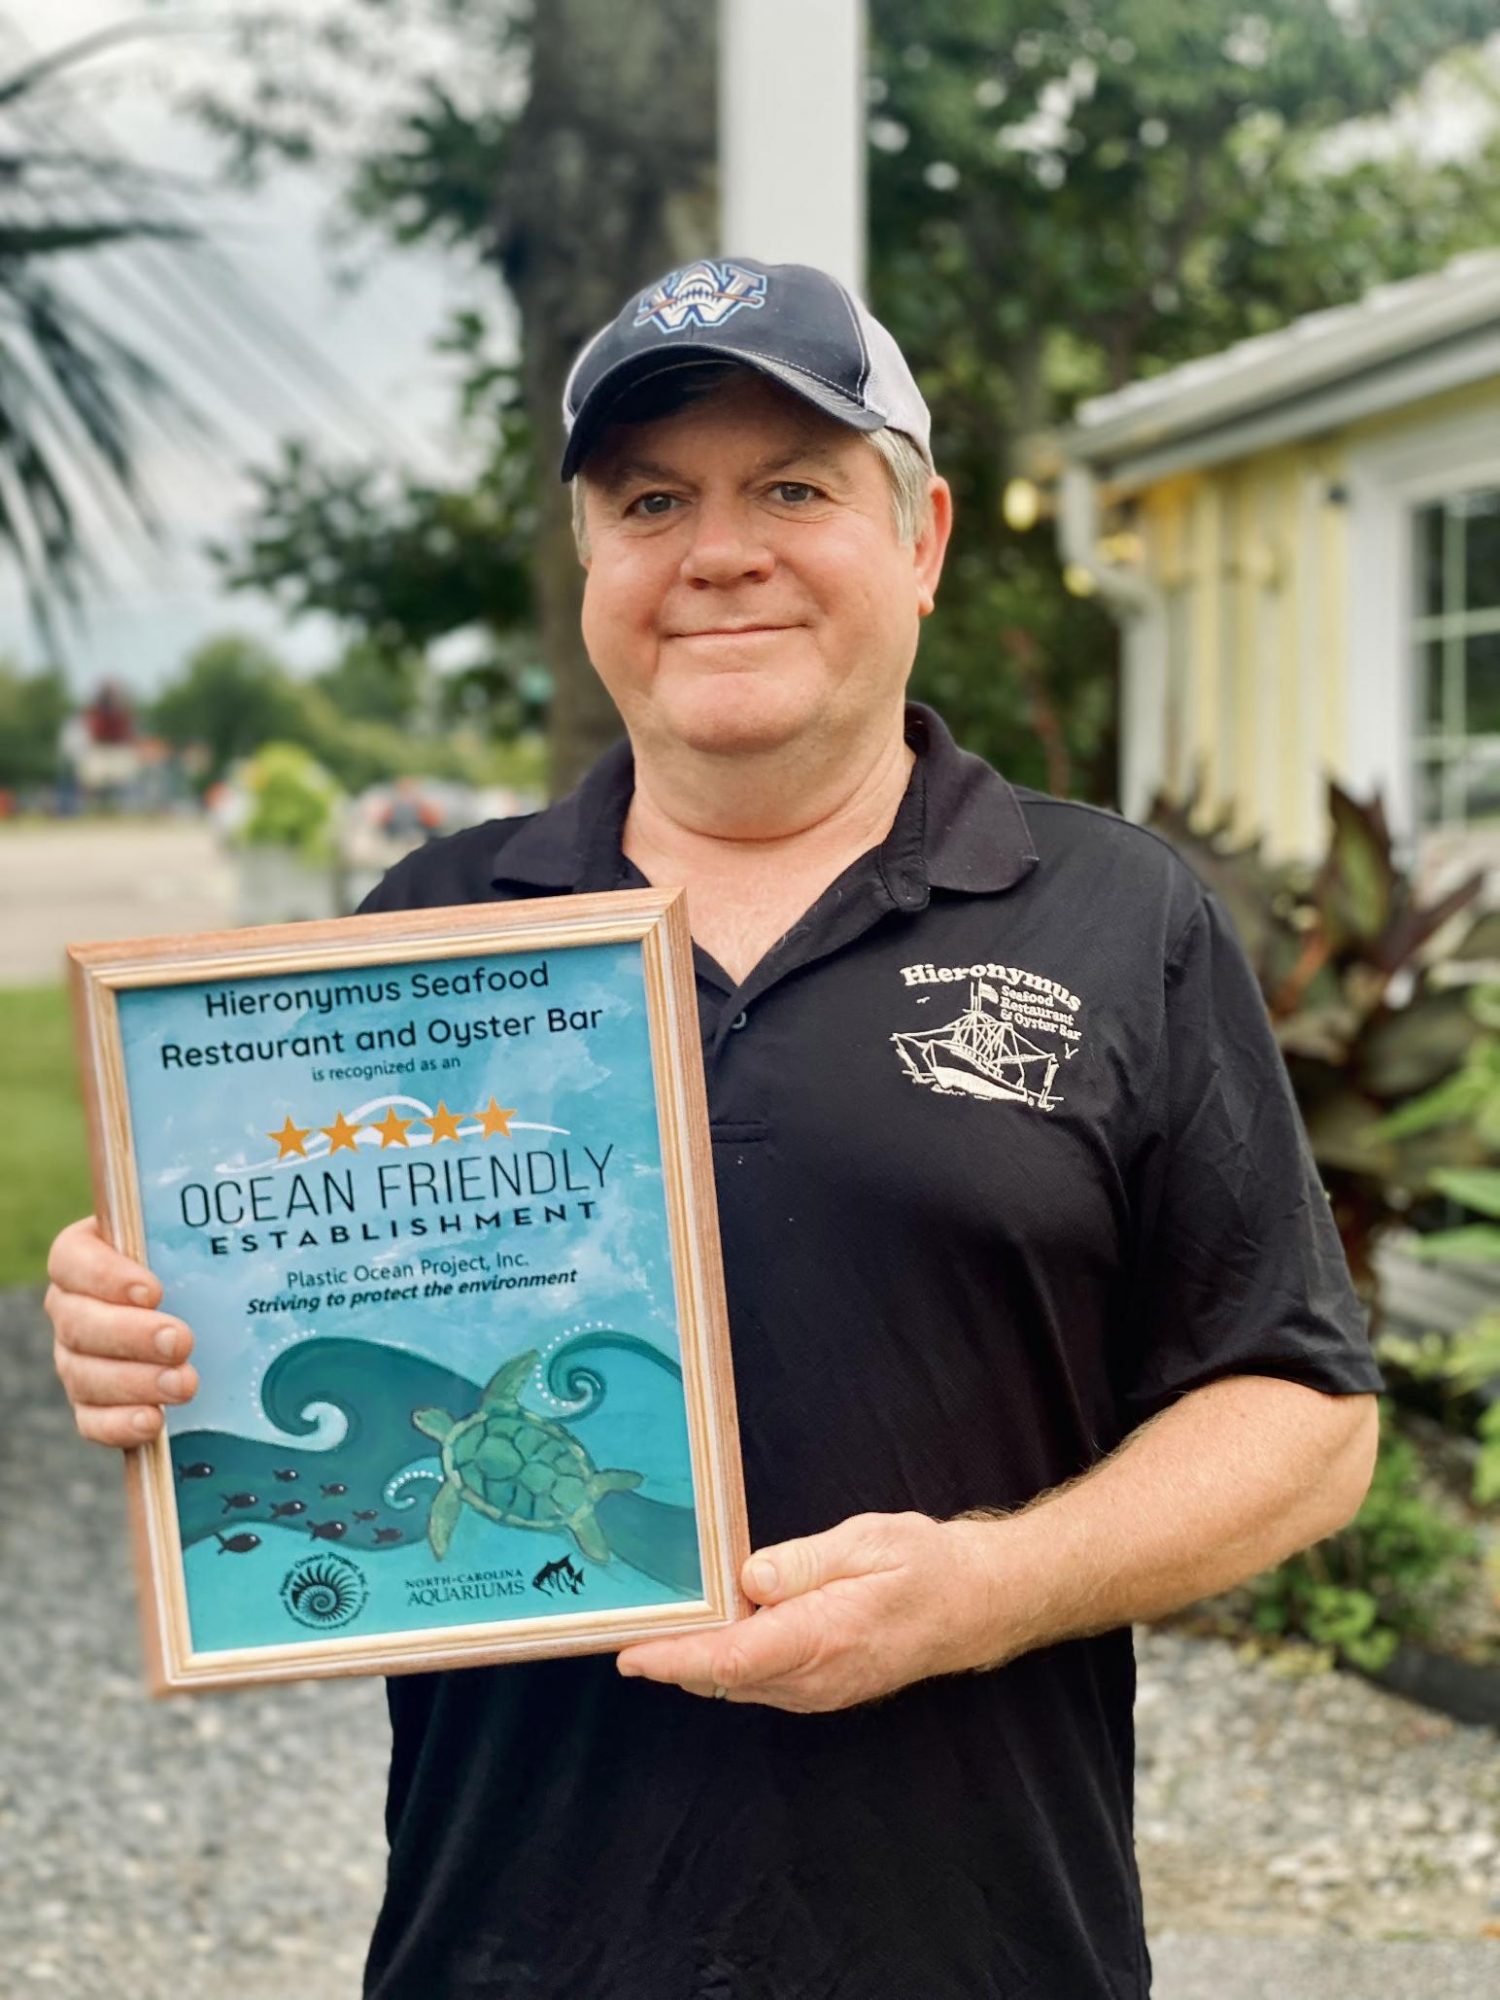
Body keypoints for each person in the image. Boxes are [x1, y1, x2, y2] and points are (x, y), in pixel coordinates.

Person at [47, 256, 1382, 1999]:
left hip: (979, 1954)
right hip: (507, 1952)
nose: (719, 551)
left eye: (795, 489)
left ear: (920, 538)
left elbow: (1304, 1416)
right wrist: (154, 1333)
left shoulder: (1117, 917)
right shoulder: (420, 933)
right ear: (591, 563)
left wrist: (990, 1587)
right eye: (651, 501)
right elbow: (297, 1357)